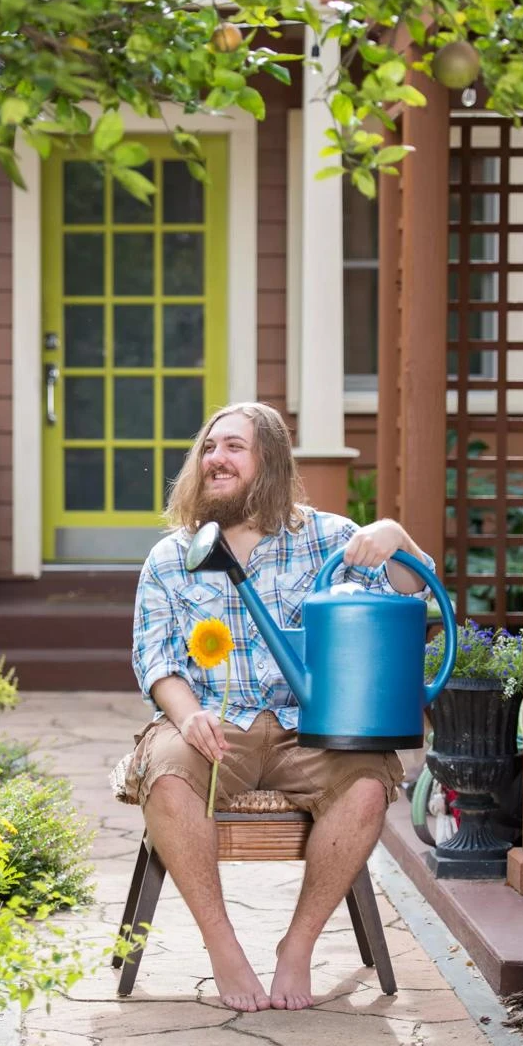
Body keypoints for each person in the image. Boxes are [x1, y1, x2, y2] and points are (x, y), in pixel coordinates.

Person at [125, 402, 434, 1013]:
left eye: (234, 447)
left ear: (269, 460)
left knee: (367, 785)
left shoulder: (329, 538)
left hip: (309, 728)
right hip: (216, 725)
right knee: (164, 774)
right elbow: (155, 660)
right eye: (209, 448)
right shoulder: (172, 556)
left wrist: (396, 538)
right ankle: (223, 947)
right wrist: (187, 716)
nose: (215, 459)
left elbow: (415, 595)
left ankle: (298, 944)